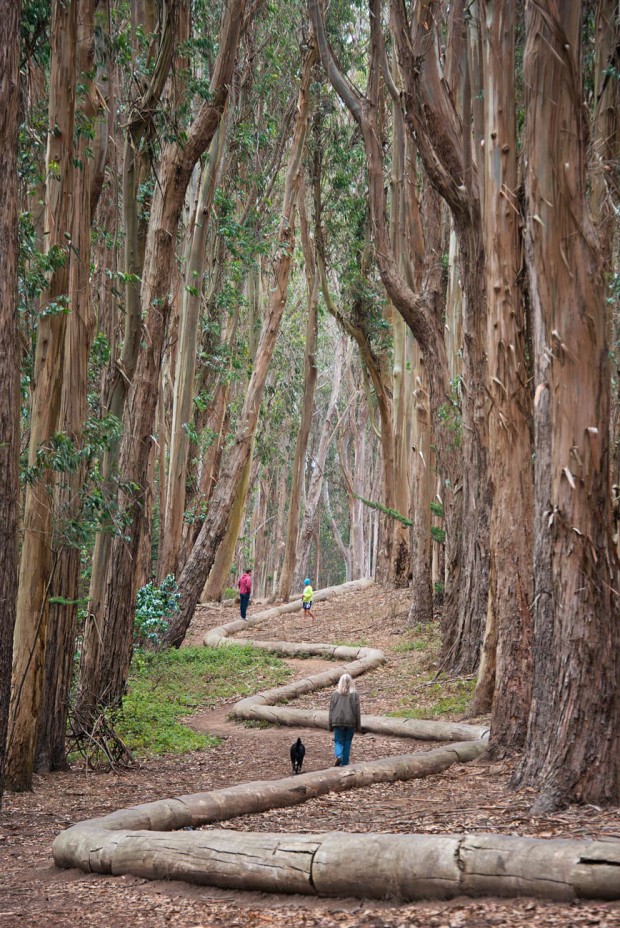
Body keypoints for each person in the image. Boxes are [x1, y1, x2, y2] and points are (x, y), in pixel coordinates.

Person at [328, 673, 361, 767]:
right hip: (351, 722)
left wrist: (330, 724)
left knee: (338, 741)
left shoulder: (335, 694)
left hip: (337, 721)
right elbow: (357, 711)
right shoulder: (354, 694)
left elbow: (331, 710)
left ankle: (339, 755)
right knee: (347, 742)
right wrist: (358, 725)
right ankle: (345, 763)